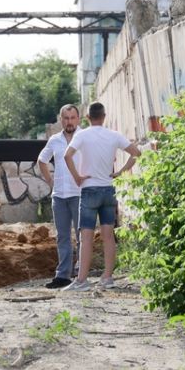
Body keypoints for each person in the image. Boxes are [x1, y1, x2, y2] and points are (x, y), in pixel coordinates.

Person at [62, 101, 141, 291]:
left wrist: (77, 177)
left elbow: (67, 155)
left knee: (86, 237)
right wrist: (120, 172)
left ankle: (81, 281)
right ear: (104, 117)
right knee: (108, 236)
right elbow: (136, 153)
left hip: (89, 189)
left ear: (87, 117)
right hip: (108, 189)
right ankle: (107, 277)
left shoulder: (82, 135)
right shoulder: (113, 135)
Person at [37, 104, 82, 289]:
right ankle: (63, 276)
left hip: (80, 194)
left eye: (72, 118)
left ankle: (81, 275)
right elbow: (42, 160)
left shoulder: (84, 137)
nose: (69, 121)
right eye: (66, 118)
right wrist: (50, 181)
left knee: (82, 236)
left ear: (78, 119)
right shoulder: (55, 140)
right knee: (62, 236)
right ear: (61, 119)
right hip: (59, 196)